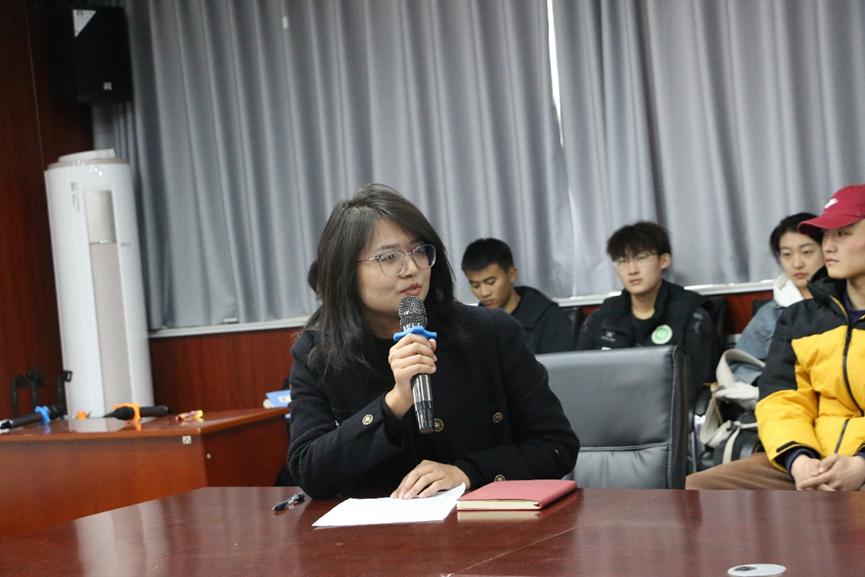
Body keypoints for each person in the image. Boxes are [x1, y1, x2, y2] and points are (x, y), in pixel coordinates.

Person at [287, 184, 579, 499]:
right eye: (389, 257)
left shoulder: (490, 333)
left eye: (419, 251)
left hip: (484, 521)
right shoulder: (318, 353)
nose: (412, 269)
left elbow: (556, 446)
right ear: (345, 272)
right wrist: (395, 402)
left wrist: (467, 472)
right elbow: (310, 472)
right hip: (378, 527)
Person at [687, 184, 865, 490]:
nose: (829, 246)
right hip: (813, 455)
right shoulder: (800, 318)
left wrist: (861, 465)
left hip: (858, 463)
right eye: (826, 235)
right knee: (700, 489)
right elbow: (781, 398)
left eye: (843, 233)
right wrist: (799, 460)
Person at [576, 221, 716, 406]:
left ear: (664, 260)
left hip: (668, 411)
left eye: (641, 258)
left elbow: (697, 384)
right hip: (610, 409)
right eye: (622, 261)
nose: (632, 270)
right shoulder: (602, 317)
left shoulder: (692, 315)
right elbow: (580, 377)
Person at [728, 213, 824, 384]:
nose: (797, 263)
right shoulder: (769, 315)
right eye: (787, 254)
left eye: (806, 252)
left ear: (827, 250)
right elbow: (740, 365)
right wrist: (770, 385)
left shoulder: (848, 302)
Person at [460, 238, 575, 354]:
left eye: (491, 282)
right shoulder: (472, 326)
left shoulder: (548, 318)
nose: (484, 292)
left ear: (511, 274)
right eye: (475, 285)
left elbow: (561, 364)